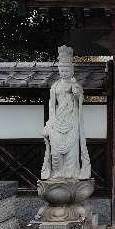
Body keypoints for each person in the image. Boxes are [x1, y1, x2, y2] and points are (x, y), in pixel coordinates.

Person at [41, 45, 91, 180]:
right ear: (58, 69)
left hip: (72, 120)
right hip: (57, 120)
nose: (64, 71)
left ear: (72, 70)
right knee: (56, 152)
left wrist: (76, 93)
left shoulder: (76, 85)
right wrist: (49, 123)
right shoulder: (54, 86)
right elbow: (51, 107)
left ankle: (72, 174)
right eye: (61, 68)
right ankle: (57, 174)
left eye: (67, 68)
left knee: (72, 152)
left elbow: (80, 99)